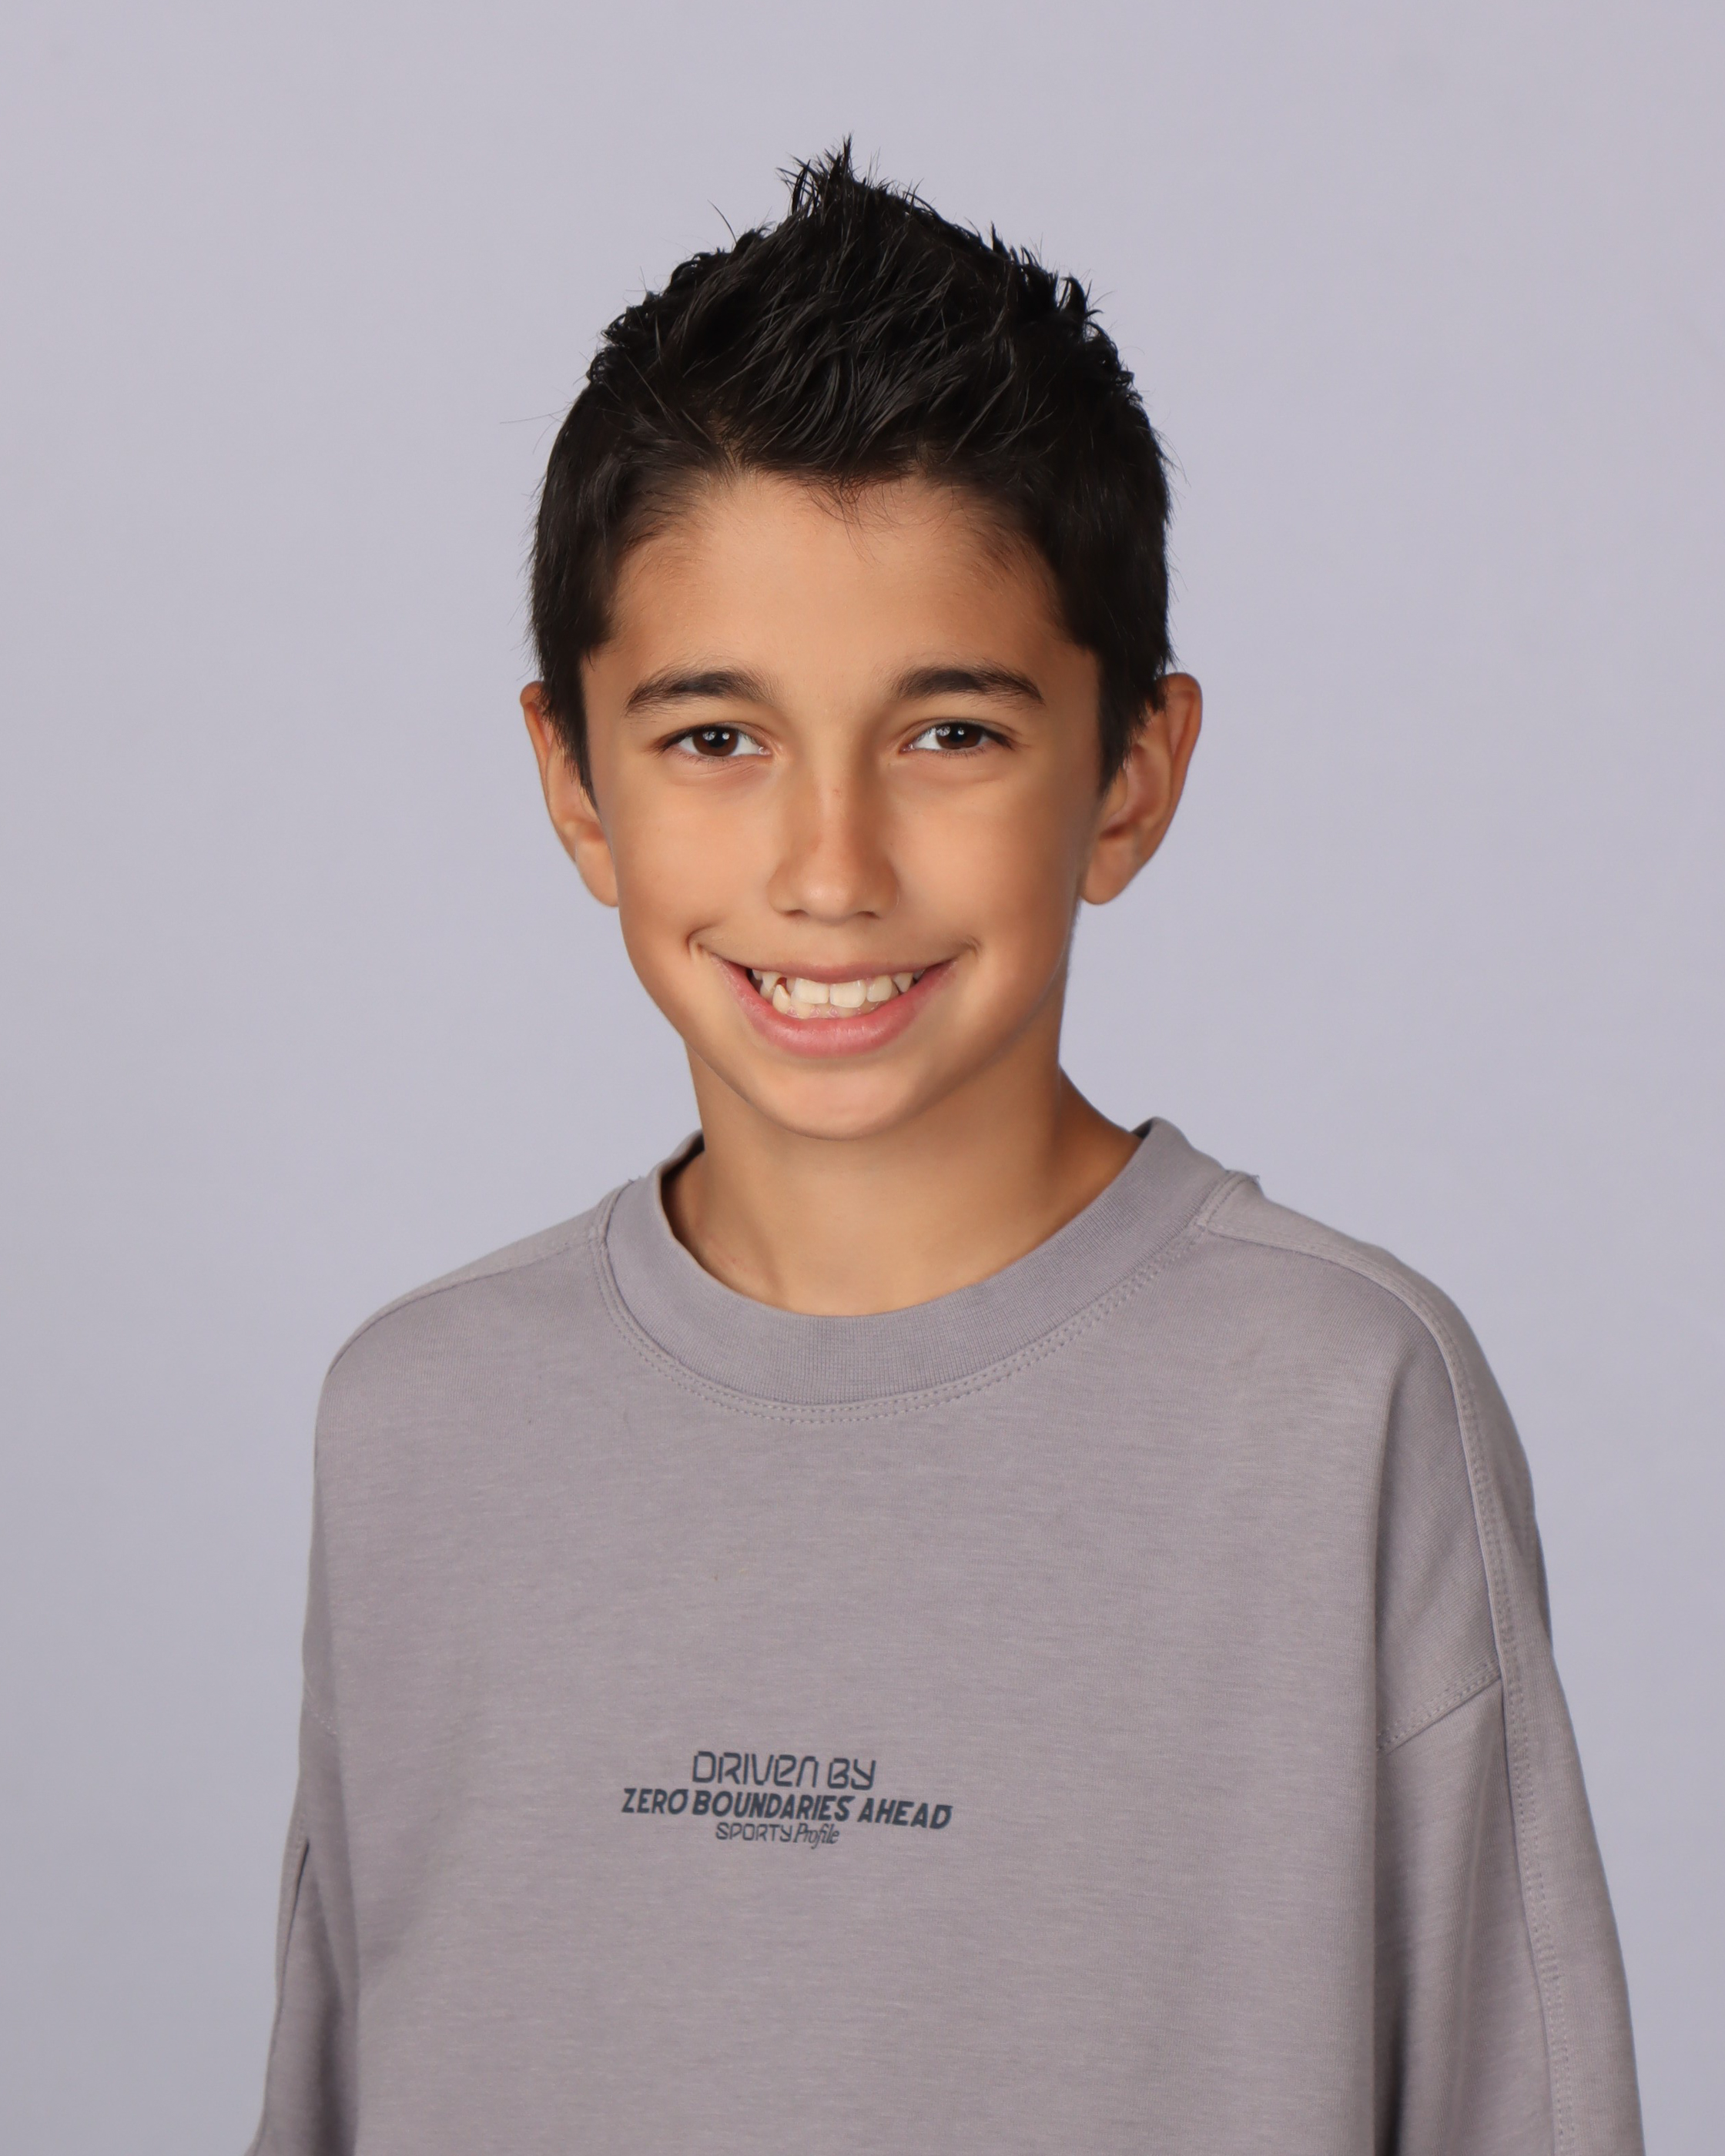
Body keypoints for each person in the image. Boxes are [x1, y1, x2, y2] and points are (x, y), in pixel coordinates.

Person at [246, 149, 1642, 2155]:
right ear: (576, 786)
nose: (830, 870)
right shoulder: (419, 1426)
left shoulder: (1343, 1408)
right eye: (715, 738)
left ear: (1131, 777)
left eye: (950, 734)